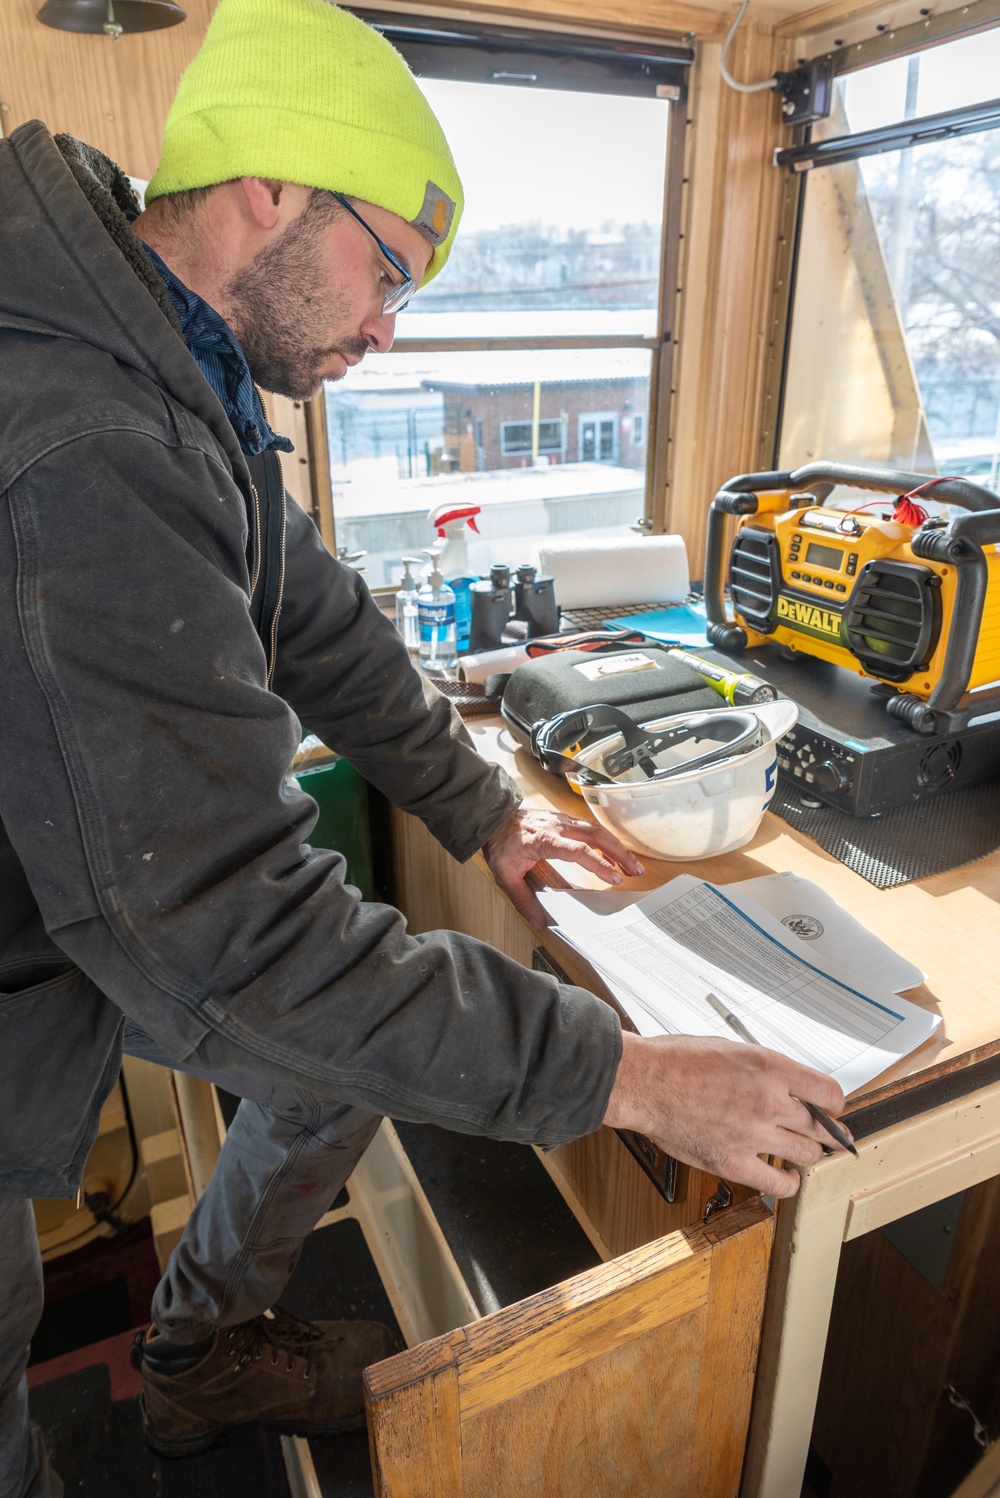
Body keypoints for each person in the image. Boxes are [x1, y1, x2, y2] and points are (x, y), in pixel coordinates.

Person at [0, 1, 847, 1492]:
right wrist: (631, 1078)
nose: (390, 327)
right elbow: (230, 938)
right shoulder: (85, 437)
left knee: (332, 1054)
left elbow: (312, 612)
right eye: (387, 268)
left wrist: (484, 811)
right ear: (269, 188)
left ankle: (194, 1361)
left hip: (65, 911)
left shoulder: (170, 361)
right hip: (40, 954)